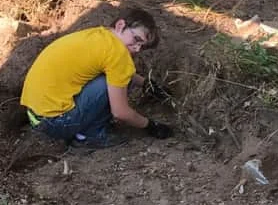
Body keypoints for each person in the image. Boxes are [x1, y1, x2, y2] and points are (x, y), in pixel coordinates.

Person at [20, 8, 173, 148]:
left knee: (115, 78)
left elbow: (119, 70)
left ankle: (82, 129)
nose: (137, 48)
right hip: (57, 124)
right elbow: (120, 112)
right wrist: (150, 125)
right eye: (136, 39)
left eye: (143, 46)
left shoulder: (100, 36)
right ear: (120, 26)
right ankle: (91, 135)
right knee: (113, 83)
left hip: (36, 116)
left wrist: (146, 84)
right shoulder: (118, 53)